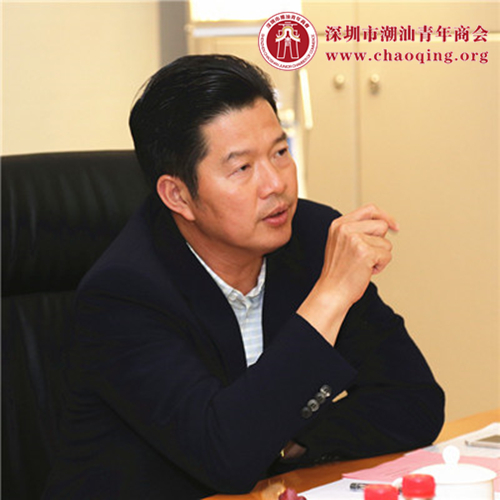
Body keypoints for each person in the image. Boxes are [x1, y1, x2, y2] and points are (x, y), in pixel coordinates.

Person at [42, 54, 444, 500]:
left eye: (280, 152)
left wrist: (287, 441)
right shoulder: (123, 296)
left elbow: (416, 401)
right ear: (178, 195)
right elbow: (225, 458)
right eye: (242, 168)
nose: (276, 184)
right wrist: (329, 297)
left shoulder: (313, 238)